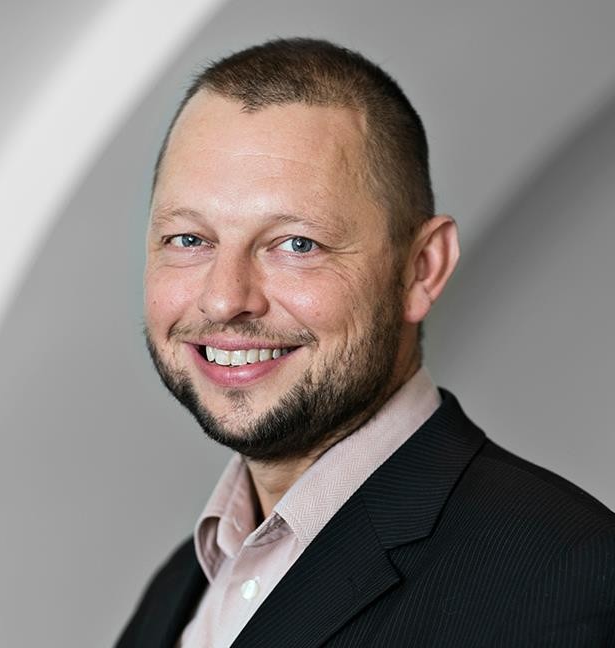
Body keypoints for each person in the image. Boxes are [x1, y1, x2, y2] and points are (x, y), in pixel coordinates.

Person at [116, 38, 615, 647]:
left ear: (422, 268)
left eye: (297, 244)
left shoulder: (567, 580)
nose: (224, 299)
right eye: (189, 239)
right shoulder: (178, 591)